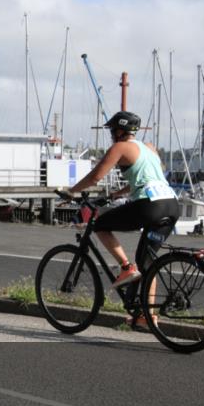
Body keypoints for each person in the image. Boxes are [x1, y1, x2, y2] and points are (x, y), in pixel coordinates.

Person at [67, 110, 179, 326]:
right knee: (148, 262)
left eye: (112, 130)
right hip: (171, 204)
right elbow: (149, 178)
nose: (111, 134)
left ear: (120, 130)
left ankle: (126, 267)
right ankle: (147, 316)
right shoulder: (150, 148)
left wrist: (72, 191)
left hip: (150, 206)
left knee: (100, 224)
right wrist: (117, 194)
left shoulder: (120, 147)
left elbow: (95, 177)